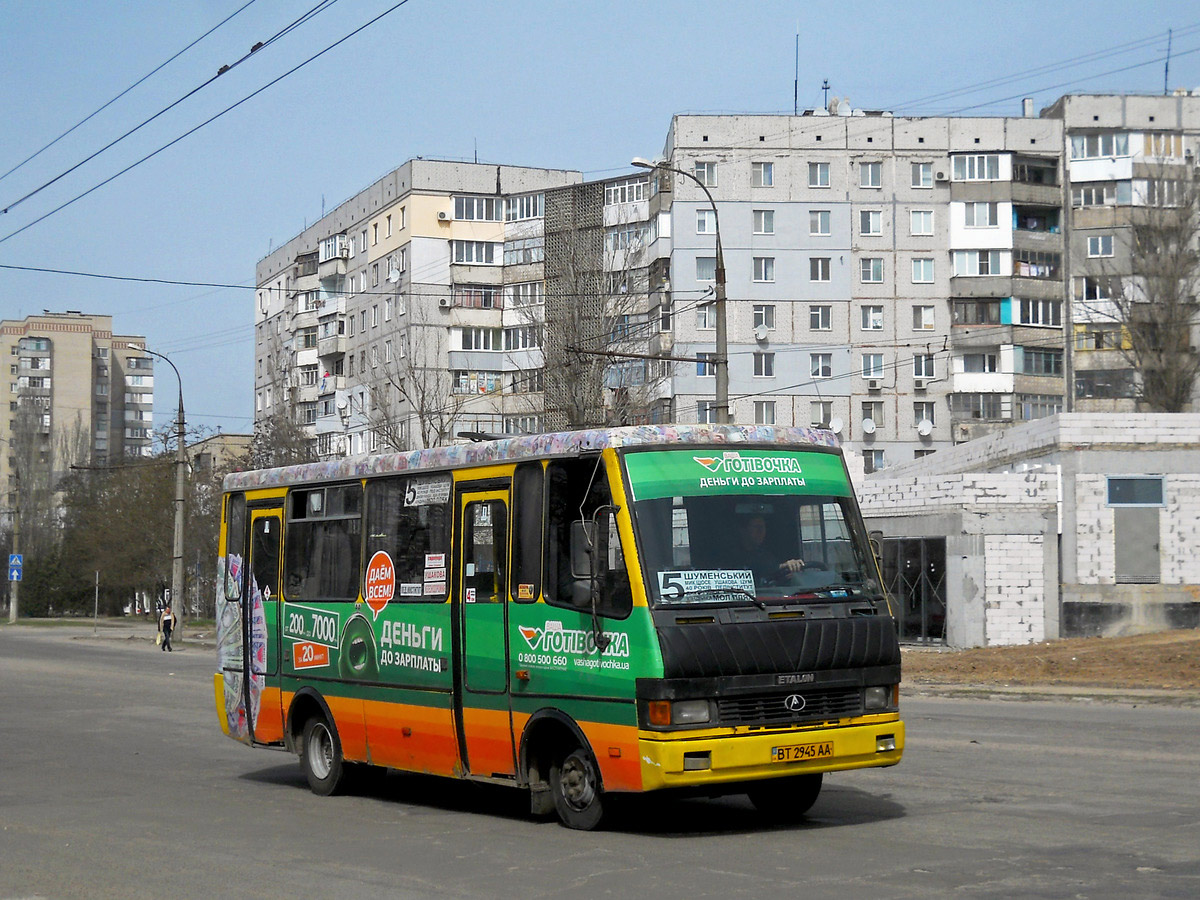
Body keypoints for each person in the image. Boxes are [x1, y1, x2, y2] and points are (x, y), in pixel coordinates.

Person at [737, 514, 805, 582]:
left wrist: (791, 568)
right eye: (756, 527)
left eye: (763, 527)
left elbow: (773, 570)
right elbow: (759, 569)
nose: (761, 531)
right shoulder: (732, 555)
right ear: (743, 530)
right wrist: (782, 566)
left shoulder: (765, 555)